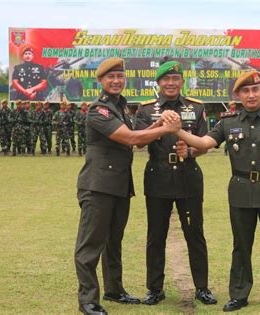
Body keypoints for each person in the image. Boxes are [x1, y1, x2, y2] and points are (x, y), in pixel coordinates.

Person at [174, 70, 260, 313]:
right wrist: (178, 131)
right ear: (238, 95)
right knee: (241, 245)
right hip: (241, 190)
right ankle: (239, 295)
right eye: (245, 91)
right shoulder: (228, 121)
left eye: (255, 90)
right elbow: (203, 143)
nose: (251, 95)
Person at [74, 57, 181, 315]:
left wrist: (158, 123)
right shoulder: (98, 109)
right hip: (98, 186)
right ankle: (88, 300)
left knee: (114, 241)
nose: (116, 81)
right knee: (90, 245)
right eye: (110, 77)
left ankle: (114, 289)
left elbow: (139, 140)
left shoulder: (120, 107)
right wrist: (166, 129)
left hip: (119, 186)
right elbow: (131, 138)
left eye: (120, 77)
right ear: (100, 81)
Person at [135, 60, 217, 306]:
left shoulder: (197, 107)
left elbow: (204, 143)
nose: (171, 83)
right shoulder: (146, 109)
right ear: (158, 83)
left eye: (175, 79)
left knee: (195, 234)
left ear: (182, 81)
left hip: (188, 176)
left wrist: (189, 151)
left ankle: (202, 288)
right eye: (166, 79)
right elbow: (139, 142)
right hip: (158, 175)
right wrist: (159, 125)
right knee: (156, 235)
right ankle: (155, 289)